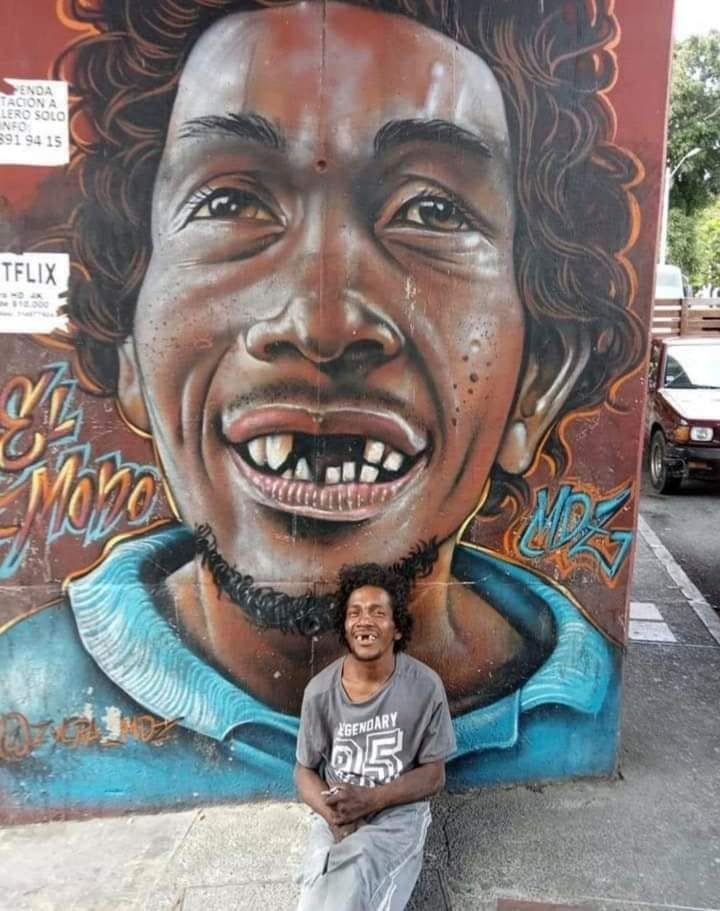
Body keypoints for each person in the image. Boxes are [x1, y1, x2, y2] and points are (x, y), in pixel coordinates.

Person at [0, 0, 643, 814]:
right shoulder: (23, 685)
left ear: (540, 379)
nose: (322, 323)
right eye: (230, 201)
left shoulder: (583, 701)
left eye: (432, 211)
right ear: (129, 344)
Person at [294, 564, 455, 911]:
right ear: (345, 627)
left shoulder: (424, 687)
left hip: (397, 812)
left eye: (378, 613)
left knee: (356, 883)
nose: (364, 621)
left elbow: (434, 775)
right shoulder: (320, 692)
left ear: (397, 628)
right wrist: (335, 816)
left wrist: (372, 800)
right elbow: (303, 770)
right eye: (354, 613)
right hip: (337, 811)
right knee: (316, 898)